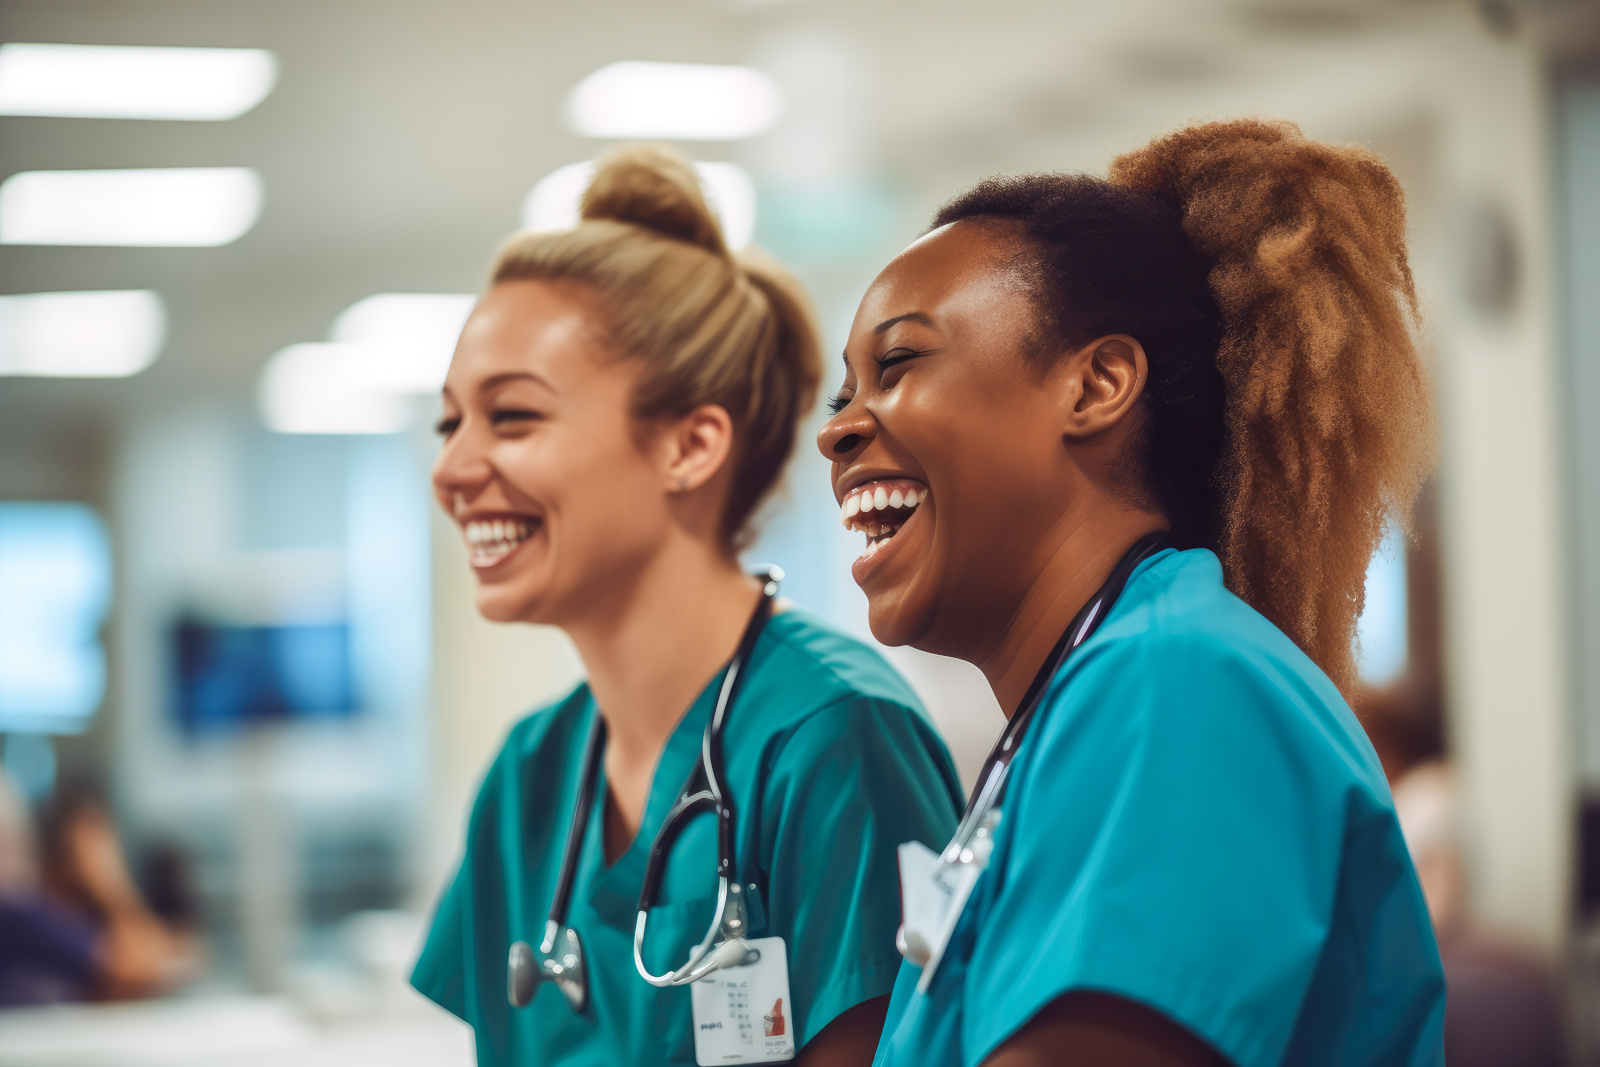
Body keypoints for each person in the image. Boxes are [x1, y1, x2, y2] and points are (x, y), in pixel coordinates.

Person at [817, 119, 1445, 1067]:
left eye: (898, 364)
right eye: (841, 395)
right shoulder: (1093, 699)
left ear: (1097, 383)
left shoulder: (1178, 683)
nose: (838, 433)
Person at [413, 143, 963, 1066]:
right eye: (448, 422)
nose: (454, 469)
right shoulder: (528, 780)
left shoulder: (832, 739)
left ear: (689, 444)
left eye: (511, 416)